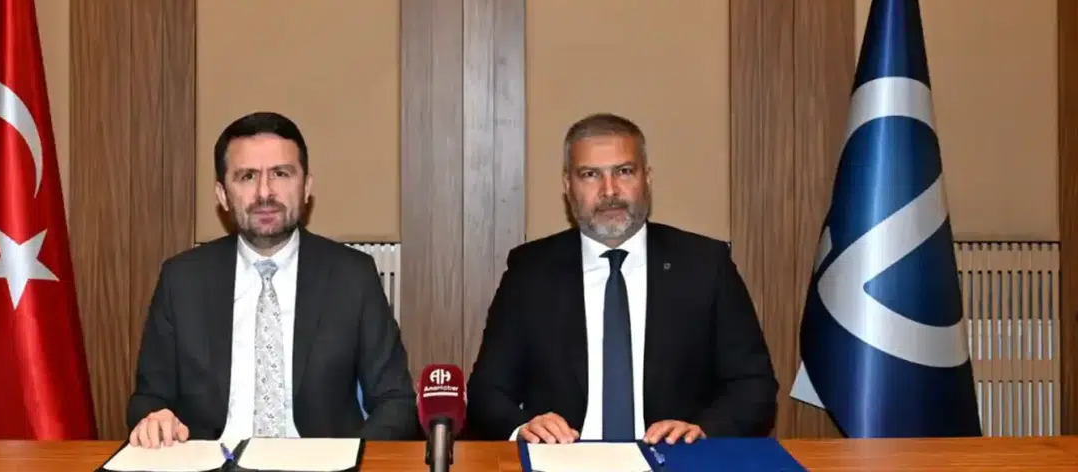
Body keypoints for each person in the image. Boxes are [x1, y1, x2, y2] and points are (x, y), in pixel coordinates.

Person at [466, 113, 778, 445]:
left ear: (647, 178)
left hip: (674, 460)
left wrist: (703, 430)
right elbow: (487, 391)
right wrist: (524, 428)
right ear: (568, 185)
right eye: (590, 175)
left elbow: (753, 386)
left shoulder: (705, 265)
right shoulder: (530, 271)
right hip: (565, 459)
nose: (610, 191)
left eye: (624, 171)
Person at [126, 112, 421, 446]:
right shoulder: (182, 280)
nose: (265, 192)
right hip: (213, 462)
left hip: (319, 465)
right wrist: (155, 418)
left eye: (281, 174)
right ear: (222, 194)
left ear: (306, 187)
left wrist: (351, 459)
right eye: (247, 176)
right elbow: (148, 399)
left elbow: (396, 403)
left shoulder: (352, 276)